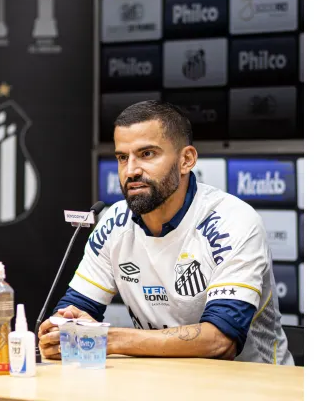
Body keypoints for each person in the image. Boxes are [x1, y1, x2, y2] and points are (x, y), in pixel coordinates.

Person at [38, 100, 293, 365]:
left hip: (251, 385)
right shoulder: (113, 222)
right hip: (161, 382)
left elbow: (220, 341)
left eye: (147, 154)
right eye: (123, 157)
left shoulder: (234, 220)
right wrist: (62, 329)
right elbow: (77, 308)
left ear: (186, 160)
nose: (131, 170)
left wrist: (108, 339)